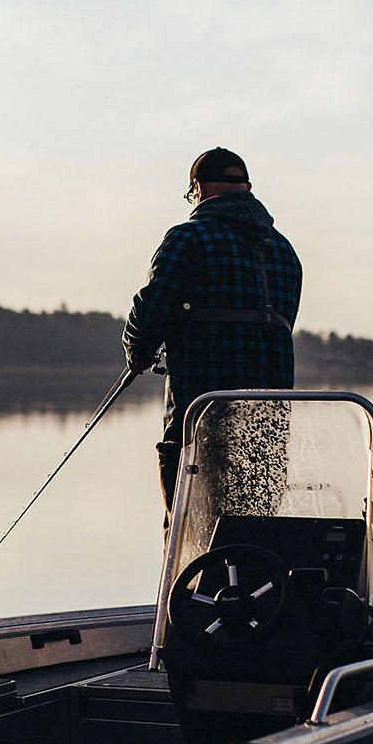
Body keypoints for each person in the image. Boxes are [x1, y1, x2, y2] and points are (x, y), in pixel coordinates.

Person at [122, 147, 303, 522]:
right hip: (267, 421)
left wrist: (137, 354)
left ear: (198, 188)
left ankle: (191, 581)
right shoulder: (285, 251)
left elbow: (153, 307)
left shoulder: (188, 238)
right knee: (256, 529)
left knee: (190, 528)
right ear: (246, 188)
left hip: (200, 412)